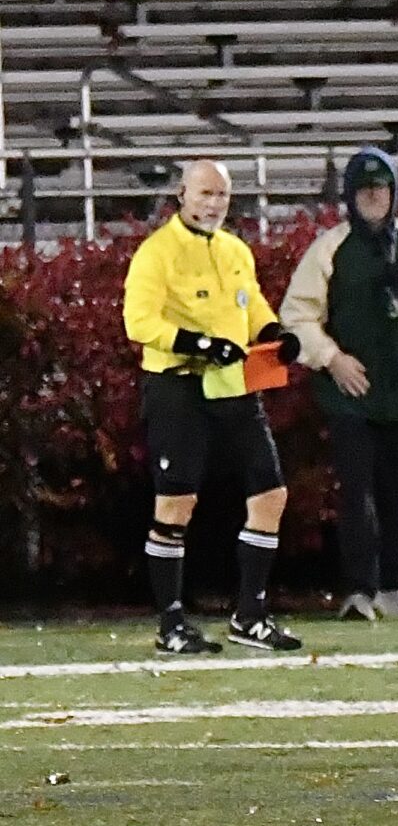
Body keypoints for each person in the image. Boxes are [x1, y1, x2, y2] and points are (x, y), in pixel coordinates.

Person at [121, 158, 303, 654]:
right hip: (177, 387)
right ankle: (171, 622)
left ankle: (250, 614)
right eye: (205, 194)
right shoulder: (157, 253)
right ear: (181, 195)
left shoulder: (234, 250)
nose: (214, 204)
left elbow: (251, 304)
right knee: (175, 504)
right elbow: (139, 322)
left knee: (270, 493)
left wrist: (274, 335)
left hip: (234, 386)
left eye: (221, 196)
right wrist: (198, 344)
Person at [280, 146, 398, 620]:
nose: (373, 197)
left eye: (380, 189)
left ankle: (393, 585)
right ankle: (359, 589)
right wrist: (331, 358)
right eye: (363, 189)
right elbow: (297, 315)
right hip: (353, 394)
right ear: (349, 195)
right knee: (357, 493)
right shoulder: (330, 248)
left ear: (394, 193)